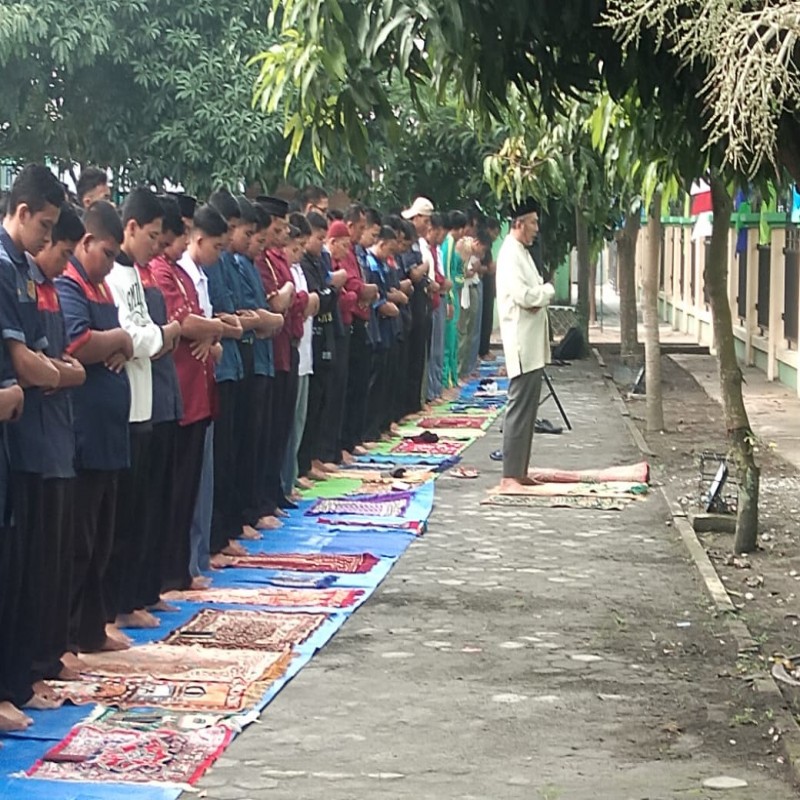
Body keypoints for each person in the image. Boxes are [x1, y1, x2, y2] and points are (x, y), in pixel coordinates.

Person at [0, 165, 64, 725]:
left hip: (26, 428)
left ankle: (18, 680)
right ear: (21, 211)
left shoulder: (20, 268)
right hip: (14, 430)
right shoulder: (2, 265)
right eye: (43, 225)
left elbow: (42, 358)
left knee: (22, 563)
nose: (46, 239)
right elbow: (23, 361)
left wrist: (49, 372)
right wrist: (49, 374)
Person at [56, 200, 133, 653]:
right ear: (85, 242)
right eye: (106, 253)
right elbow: (79, 342)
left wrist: (117, 342)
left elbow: (114, 344)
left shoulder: (100, 287)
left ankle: (91, 628)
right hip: (84, 431)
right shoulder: (70, 284)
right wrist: (118, 340)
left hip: (109, 431)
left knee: (103, 536)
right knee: (79, 541)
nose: (109, 265)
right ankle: (67, 636)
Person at [20, 205, 87, 698]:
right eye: (60, 249)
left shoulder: (44, 287)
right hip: (32, 443)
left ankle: (50, 651)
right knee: (35, 560)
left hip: (58, 435)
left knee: (59, 554)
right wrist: (59, 372)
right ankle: (35, 659)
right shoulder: (26, 281)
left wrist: (58, 372)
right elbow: (39, 365)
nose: (65, 264)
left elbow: (59, 363)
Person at [105, 188, 180, 632]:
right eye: (151, 236)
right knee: (121, 519)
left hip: (146, 401)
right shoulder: (114, 276)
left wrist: (153, 337)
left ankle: (135, 595)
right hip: (125, 405)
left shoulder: (136, 273)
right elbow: (135, 337)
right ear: (129, 227)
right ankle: (115, 605)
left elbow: (144, 337)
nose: (155, 246)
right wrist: (157, 337)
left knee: (143, 511)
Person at [159, 204, 228, 587]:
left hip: (199, 390)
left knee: (193, 486)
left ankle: (189, 564)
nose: (179, 243)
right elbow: (185, 323)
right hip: (180, 393)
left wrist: (210, 333)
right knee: (178, 488)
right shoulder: (166, 271)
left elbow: (195, 324)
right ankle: (178, 569)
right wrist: (215, 328)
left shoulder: (184, 275)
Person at [495, 198, 555, 490]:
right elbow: (525, 296)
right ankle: (509, 474)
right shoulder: (509, 254)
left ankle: (519, 470)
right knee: (518, 409)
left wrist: (540, 291)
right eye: (532, 222)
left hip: (532, 343)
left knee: (529, 411)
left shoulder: (522, 252)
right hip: (521, 341)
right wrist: (547, 292)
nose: (536, 228)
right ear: (518, 224)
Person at [296, 213, 347, 486]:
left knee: (319, 402)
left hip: (322, 336)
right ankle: (303, 463)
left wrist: (327, 292)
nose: (319, 244)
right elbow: (317, 299)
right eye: (318, 239)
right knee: (311, 404)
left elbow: (325, 297)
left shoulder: (318, 261)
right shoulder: (304, 262)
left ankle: (312, 459)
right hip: (308, 341)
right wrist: (329, 291)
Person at [283, 216, 318, 496]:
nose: (299, 253)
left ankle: (292, 473)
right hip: (290, 347)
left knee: (300, 416)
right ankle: (287, 477)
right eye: (294, 248)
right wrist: (308, 302)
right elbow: (298, 302)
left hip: (304, 349)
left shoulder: (297, 269)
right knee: (289, 419)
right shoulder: (284, 270)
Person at [426, 212, 449, 403]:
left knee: (439, 347)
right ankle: (431, 392)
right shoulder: (425, 249)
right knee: (432, 349)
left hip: (439, 297)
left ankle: (436, 389)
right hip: (431, 300)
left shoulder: (436, 250)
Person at [479, 218, 501, 360]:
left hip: (488, 284)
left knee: (488, 317)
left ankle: (484, 349)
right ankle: (482, 350)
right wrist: (488, 268)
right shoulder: (480, 243)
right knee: (483, 319)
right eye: (495, 233)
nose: (495, 237)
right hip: (482, 282)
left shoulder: (488, 246)